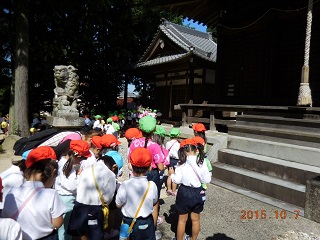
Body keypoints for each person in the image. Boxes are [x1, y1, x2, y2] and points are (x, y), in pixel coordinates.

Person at [2, 146, 66, 240]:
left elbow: (6, 217)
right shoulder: (51, 194)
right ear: (53, 172)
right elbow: (57, 223)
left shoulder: (12, 192)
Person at [129, 115, 165, 239]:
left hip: (137, 173)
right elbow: (160, 167)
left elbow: (130, 162)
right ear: (154, 129)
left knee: (136, 198)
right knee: (154, 203)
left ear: (140, 128)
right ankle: (152, 231)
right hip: (152, 175)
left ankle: (133, 226)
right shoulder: (155, 146)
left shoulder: (134, 143)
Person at [68, 151, 116, 240]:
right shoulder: (110, 174)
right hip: (95, 210)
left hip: (79, 207)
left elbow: (78, 185)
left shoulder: (86, 169)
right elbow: (108, 199)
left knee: (80, 233)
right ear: (113, 166)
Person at [169, 139, 211, 240]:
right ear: (196, 149)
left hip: (184, 191)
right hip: (198, 191)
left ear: (183, 151)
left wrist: (172, 175)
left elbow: (177, 180)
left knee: (182, 220)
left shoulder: (181, 163)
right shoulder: (202, 162)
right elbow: (207, 179)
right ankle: (193, 239)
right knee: (196, 219)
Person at [116, 148, 158, 240]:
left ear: (130, 166)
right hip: (145, 222)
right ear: (150, 167)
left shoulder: (125, 185)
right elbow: (154, 201)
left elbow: (118, 204)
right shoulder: (152, 185)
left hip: (127, 222)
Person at [54, 140, 92, 240]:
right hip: (67, 200)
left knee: (64, 228)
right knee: (65, 229)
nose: (83, 160)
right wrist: (79, 176)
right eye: (83, 158)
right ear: (78, 156)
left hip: (62, 198)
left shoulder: (62, 162)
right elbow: (72, 186)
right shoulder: (67, 167)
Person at [165, 128, 181, 196]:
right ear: (178, 136)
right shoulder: (178, 144)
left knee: (170, 175)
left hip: (170, 160)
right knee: (175, 175)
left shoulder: (168, 143)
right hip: (177, 160)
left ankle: (169, 189)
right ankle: (174, 191)